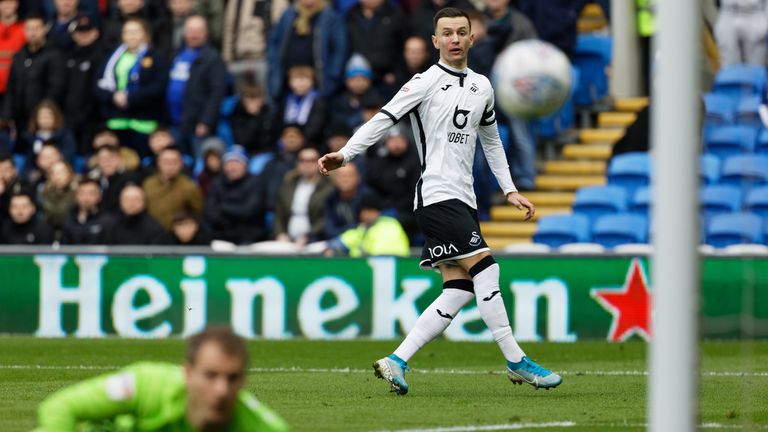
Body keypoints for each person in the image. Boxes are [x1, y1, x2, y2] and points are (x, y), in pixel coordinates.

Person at [318, 7, 560, 394]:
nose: (454, 39)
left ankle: (396, 360)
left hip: (464, 198)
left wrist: (510, 188)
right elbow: (384, 118)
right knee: (487, 269)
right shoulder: (424, 82)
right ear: (435, 41)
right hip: (435, 194)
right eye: (446, 33)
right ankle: (516, 360)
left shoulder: (483, 86)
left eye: (461, 32)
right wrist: (346, 154)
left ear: (471, 38)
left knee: (459, 289)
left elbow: (492, 141)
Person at [35, 326, 289, 432]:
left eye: (232, 378)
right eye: (210, 376)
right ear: (187, 374)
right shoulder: (148, 384)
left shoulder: (264, 427)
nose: (221, 390)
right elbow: (59, 407)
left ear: (244, 382)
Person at [95, 17, 168, 158]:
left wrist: (131, 98)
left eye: (136, 31)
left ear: (145, 34)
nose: (131, 36)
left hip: (144, 122)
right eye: (128, 32)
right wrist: (113, 97)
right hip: (116, 120)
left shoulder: (156, 57)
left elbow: (158, 86)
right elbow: (99, 83)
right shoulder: (113, 58)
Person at [166, 15, 227, 156]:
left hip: (197, 126)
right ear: (184, 32)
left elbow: (217, 93)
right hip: (174, 123)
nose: (194, 35)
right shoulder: (176, 54)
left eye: (198, 31)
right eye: (191, 30)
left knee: (199, 166)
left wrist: (205, 121)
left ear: (206, 33)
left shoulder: (212, 58)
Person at [3, 13, 64, 138]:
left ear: (44, 29)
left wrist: (43, 114)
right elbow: (11, 87)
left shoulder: (54, 55)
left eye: (37, 28)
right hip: (19, 119)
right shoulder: (19, 55)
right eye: (29, 29)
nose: (33, 32)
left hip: (43, 120)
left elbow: (56, 87)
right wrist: (7, 115)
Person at [204, 145, 266, 244]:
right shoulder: (217, 183)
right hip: (222, 234)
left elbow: (249, 211)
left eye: (237, 162)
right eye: (229, 163)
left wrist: (223, 207)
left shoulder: (256, 182)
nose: (232, 167)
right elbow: (210, 212)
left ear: (245, 165)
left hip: (249, 236)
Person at [275, 146, 333, 245]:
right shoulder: (288, 184)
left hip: (316, 240)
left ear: (319, 163)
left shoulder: (328, 187)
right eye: (302, 160)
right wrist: (280, 233)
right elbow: (279, 213)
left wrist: (308, 236)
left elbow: (326, 218)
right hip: (287, 239)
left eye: (311, 161)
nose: (306, 164)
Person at [325, 191, 409, 257]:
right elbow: (345, 240)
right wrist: (332, 248)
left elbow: (383, 258)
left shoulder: (389, 226)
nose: (366, 215)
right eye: (363, 211)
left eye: (370, 210)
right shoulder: (363, 228)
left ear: (378, 212)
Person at [142, 145, 203, 230]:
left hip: (178, 238)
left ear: (181, 164)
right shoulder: (148, 185)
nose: (170, 166)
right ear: (158, 163)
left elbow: (198, 214)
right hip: (152, 235)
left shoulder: (190, 187)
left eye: (174, 162)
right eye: (166, 162)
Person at [104, 183, 170, 244]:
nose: (131, 203)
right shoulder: (110, 225)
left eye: (136, 199)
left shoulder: (154, 227)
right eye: (127, 199)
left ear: (143, 202)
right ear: (121, 202)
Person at [60, 178, 113, 244]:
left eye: (91, 193)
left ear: (99, 197)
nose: (86, 198)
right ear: (76, 196)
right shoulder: (69, 221)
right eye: (82, 193)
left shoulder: (108, 222)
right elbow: (63, 249)